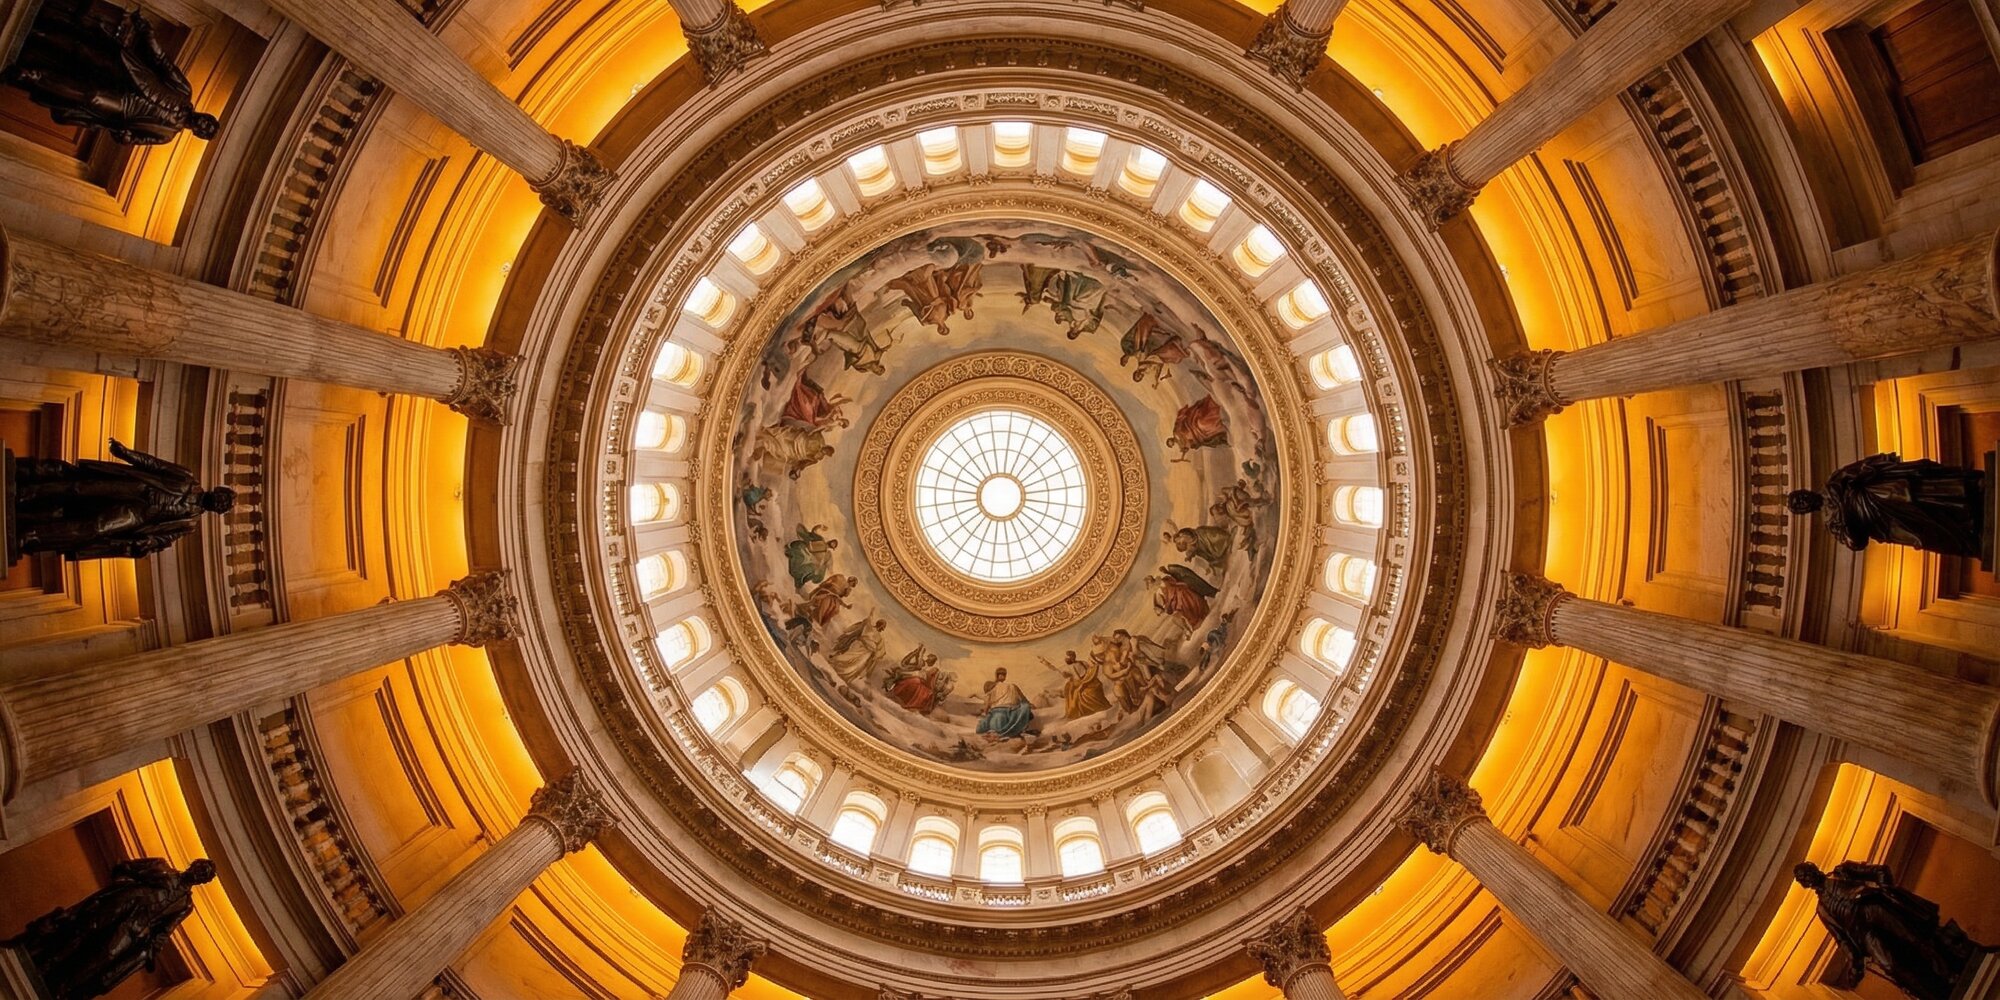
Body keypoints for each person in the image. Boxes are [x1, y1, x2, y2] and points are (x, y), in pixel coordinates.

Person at [6, 3, 220, 146]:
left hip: (124, 107)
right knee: (85, 51)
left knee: (92, 97)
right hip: (131, 73)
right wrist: (148, 33)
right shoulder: (184, 91)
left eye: (205, 129)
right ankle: (42, 34)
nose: (203, 124)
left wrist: (126, 136)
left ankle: (33, 76)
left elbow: (136, 138)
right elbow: (162, 62)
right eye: (208, 121)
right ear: (205, 115)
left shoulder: (166, 136)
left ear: (197, 134)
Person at [5, 857, 217, 1000]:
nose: (199, 873)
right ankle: (46, 965)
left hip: (132, 928)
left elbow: (165, 929)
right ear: (193, 864)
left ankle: (62, 988)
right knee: (83, 931)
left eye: (203, 874)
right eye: (200, 868)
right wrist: (119, 888)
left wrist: (151, 951)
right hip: (118, 904)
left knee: (104, 956)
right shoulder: (162, 867)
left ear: (203, 881)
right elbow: (124, 867)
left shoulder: (186, 905)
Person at [1793, 860, 1986, 1000]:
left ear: (1815, 867)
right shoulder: (1822, 911)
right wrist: (1854, 964)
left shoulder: (1842, 871)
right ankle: (1934, 993)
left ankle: (1947, 973)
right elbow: (1842, 939)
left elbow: (1880, 871)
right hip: (1864, 934)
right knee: (1890, 966)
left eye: (1808, 871)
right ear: (1805, 885)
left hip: (1873, 908)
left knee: (1913, 938)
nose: (1809, 876)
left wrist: (1887, 891)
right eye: (1804, 877)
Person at [14, 439, 234, 560]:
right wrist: (126, 454)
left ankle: (34, 534)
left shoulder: (189, 524)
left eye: (223, 506)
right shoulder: (187, 477)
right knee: (80, 488)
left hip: (135, 516)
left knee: (97, 528)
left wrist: (148, 542)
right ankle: (28, 493)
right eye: (223, 498)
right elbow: (154, 465)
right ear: (218, 490)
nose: (220, 503)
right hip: (135, 489)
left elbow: (163, 539)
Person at [1788, 453, 1986, 558]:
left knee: (1917, 495)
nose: (1804, 502)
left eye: (1801, 498)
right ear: (1806, 511)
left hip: (1885, 493)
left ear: (1806, 491)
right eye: (1801, 505)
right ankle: (1967, 531)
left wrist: (1878, 465)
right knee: (1926, 534)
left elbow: (1862, 469)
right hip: (1886, 523)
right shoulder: (1832, 524)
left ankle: (1968, 493)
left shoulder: (1834, 481)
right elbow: (1858, 542)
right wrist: (1849, 528)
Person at [1044, 650, 1109, 720]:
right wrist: (1064, 674)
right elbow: (1066, 675)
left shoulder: (1082, 663)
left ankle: (1077, 712)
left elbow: (1089, 672)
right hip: (1078, 682)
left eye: (1067, 658)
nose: (1066, 659)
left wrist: (1084, 681)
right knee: (1069, 689)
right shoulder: (1068, 667)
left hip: (1087, 681)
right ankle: (1071, 712)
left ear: (1072, 658)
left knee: (1076, 693)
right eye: (1066, 658)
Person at [975, 667, 1034, 740]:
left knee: (983, 727)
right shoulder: (999, 686)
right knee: (984, 727)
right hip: (1003, 712)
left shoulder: (1010, 686)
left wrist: (985, 712)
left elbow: (1023, 699)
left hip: (1005, 711)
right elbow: (987, 701)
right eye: (1001, 674)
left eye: (1003, 674)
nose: (1002, 676)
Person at [827, 617, 888, 682]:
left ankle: (844, 676)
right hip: (859, 646)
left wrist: (876, 653)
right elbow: (861, 631)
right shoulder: (869, 628)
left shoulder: (880, 638)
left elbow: (881, 650)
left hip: (866, 653)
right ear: (879, 624)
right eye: (883, 626)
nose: (882, 628)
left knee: (858, 665)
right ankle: (834, 662)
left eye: (883, 627)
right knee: (848, 657)